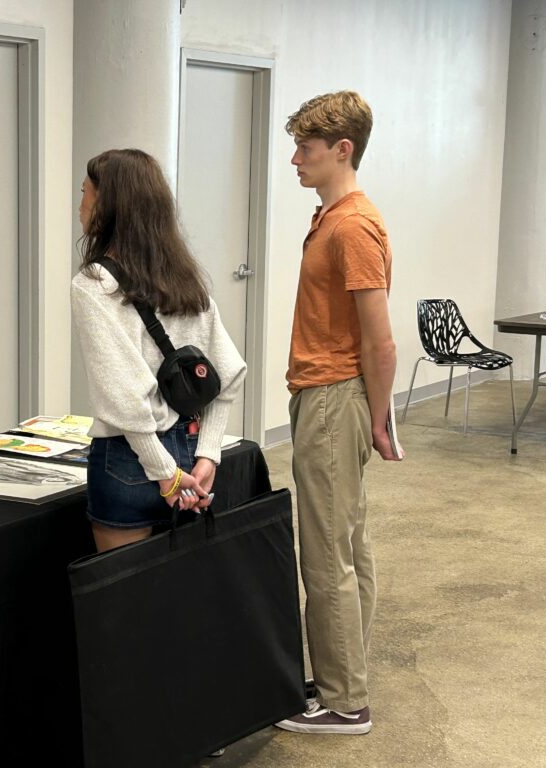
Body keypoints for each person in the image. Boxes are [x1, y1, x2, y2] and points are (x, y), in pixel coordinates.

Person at [274, 91, 401, 737]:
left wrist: (377, 422)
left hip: (333, 399)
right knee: (346, 544)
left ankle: (344, 700)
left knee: (326, 555)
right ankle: (337, 674)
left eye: (306, 148)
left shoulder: (352, 225)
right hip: (329, 397)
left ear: (342, 149)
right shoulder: (331, 218)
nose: (295, 159)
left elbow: (380, 339)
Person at [70, 148, 246, 554]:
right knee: (181, 597)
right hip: (190, 448)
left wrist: (164, 473)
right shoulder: (184, 280)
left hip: (129, 464)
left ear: (108, 207)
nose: (80, 205)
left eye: (85, 193)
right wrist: (208, 456)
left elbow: (123, 399)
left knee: (126, 604)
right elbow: (227, 374)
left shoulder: (94, 284)